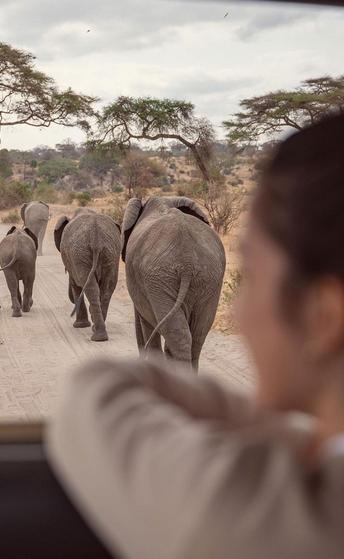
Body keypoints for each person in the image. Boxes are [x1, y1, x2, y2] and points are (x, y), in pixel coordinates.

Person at [46, 114, 344, 559]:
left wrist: (296, 431)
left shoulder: (255, 514)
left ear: (323, 318)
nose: (239, 316)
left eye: (251, 278)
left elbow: (96, 391)